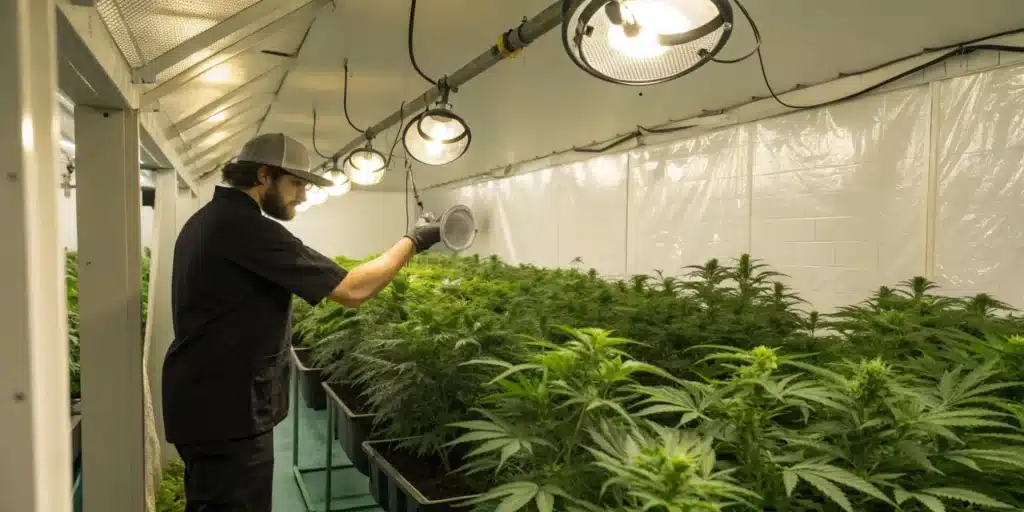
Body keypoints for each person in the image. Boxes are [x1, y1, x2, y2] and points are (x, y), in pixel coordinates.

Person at [161, 132, 441, 511]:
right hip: (227, 414)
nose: (302, 195)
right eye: (296, 183)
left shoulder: (208, 219)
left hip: (210, 404)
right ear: (264, 176)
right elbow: (352, 290)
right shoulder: (244, 227)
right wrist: (414, 241)